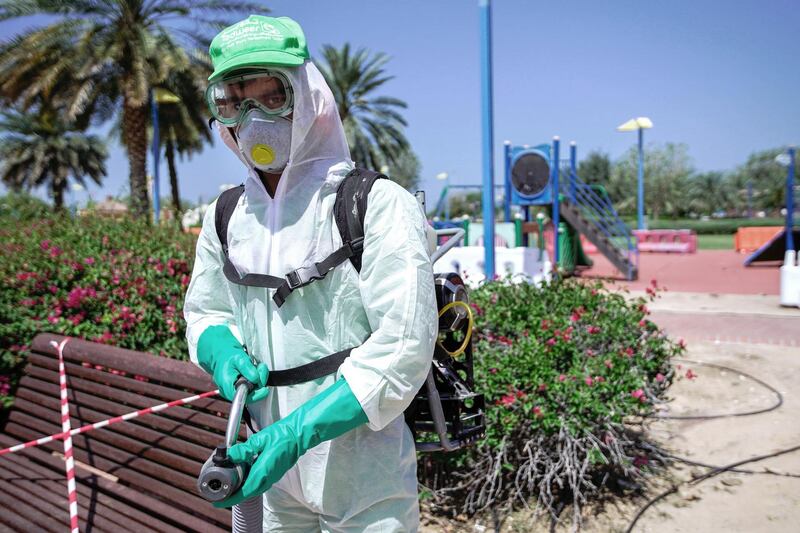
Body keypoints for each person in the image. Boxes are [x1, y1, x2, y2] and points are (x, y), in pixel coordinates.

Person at [183, 14, 437, 532]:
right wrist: (222, 352)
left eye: (270, 96)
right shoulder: (226, 215)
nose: (251, 118)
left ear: (308, 97)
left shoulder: (377, 205)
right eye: (234, 102)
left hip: (364, 475)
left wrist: (297, 432)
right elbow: (206, 309)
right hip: (268, 474)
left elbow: (404, 345)